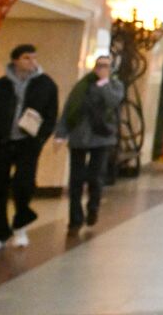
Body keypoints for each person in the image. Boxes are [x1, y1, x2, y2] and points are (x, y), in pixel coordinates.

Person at [0, 44, 58, 250]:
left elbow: (51, 115)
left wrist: (40, 139)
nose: (32, 62)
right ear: (15, 61)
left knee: (24, 184)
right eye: (27, 58)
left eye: (34, 58)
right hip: (0, 143)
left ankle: (21, 222)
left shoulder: (46, 85)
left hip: (27, 144)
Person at [53, 55, 123, 234]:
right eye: (99, 65)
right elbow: (69, 109)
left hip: (102, 138)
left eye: (106, 66)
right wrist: (60, 134)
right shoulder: (82, 85)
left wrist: (104, 83)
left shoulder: (115, 85)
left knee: (95, 176)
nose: (102, 69)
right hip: (78, 137)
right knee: (75, 179)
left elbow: (112, 101)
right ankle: (74, 220)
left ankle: (93, 208)